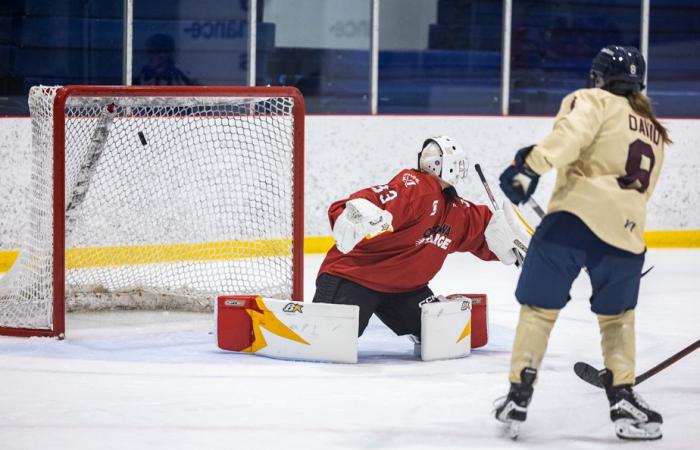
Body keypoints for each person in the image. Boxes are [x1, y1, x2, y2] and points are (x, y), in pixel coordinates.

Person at [494, 45, 671, 440]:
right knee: (617, 318)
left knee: (539, 310)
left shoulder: (593, 99)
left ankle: (519, 393)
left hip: (573, 220)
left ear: (598, 77)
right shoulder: (654, 129)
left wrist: (528, 168)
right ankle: (622, 392)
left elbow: (570, 137)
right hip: (627, 234)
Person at [312, 136, 524, 340]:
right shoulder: (416, 189)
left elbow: (482, 229)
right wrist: (356, 211)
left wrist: (510, 244)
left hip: (405, 290)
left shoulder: (455, 209)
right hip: (354, 278)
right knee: (330, 338)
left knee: (445, 337)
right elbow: (377, 197)